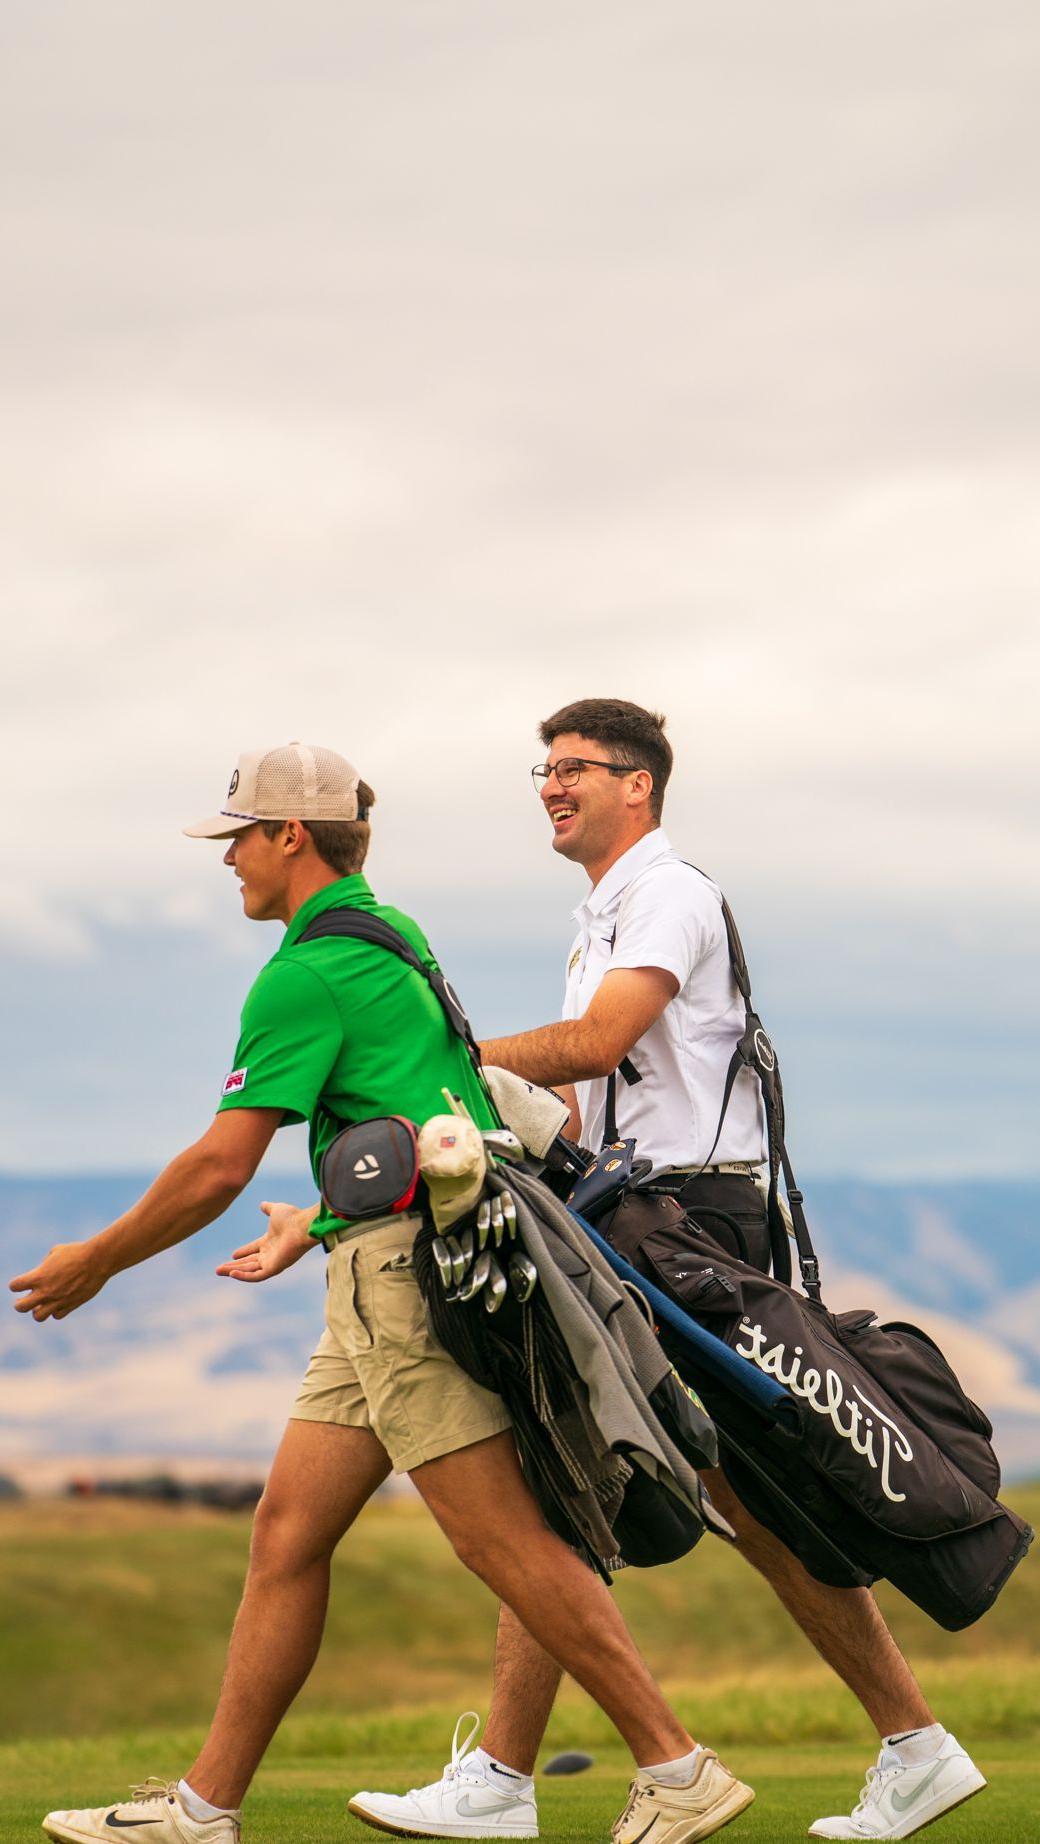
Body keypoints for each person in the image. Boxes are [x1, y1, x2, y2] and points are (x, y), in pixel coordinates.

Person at [9, 739, 753, 1844]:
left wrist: (97, 1260)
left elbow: (219, 1164)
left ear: (289, 836)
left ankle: (674, 1763)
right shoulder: (390, 935)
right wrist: (314, 1221)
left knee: (501, 1540)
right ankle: (204, 1808)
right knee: (285, 1532)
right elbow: (422, 1106)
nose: (230, 866)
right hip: (381, 1265)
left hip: (404, 1281)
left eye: (239, 842)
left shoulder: (304, 973)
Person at [347, 700, 986, 1843]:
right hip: (645, 1216)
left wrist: (438, 1056)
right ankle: (906, 1745)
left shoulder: (668, 892)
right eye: (541, 768)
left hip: (694, 1223)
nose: (550, 785)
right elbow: (586, 1098)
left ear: (636, 784)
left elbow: (595, 1040)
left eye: (573, 768)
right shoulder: (600, 912)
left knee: (622, 1466)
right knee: (634, 1472)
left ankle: (900, 1742)